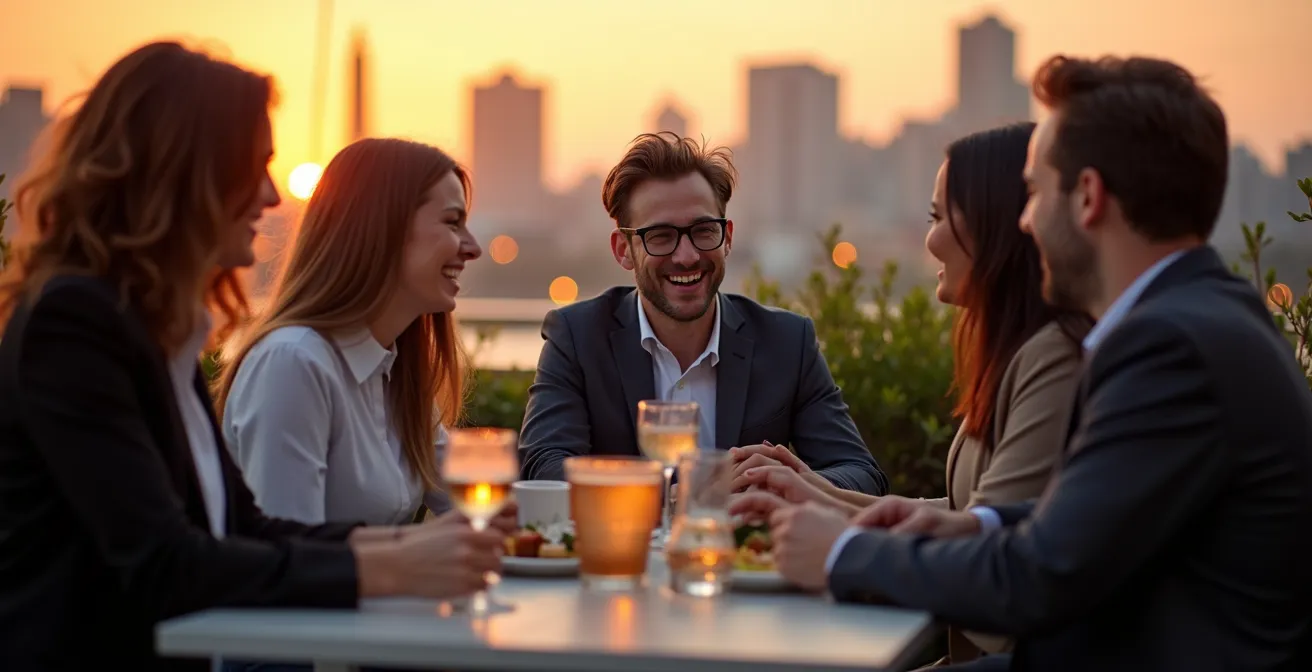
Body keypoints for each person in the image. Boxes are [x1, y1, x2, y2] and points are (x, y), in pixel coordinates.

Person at [742, 54, 1312, 671]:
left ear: (1088, 197)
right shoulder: (1199, 318)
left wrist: (843, 553)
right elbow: (1080, 529)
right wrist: (972, 524)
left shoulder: (1169, 347)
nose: (1022, 219)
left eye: (1036, 191)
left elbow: (1042, 578)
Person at [0, 42, 509, 672]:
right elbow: (165, 563)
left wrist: (413, 547)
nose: (272, 195)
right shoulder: (75, 324)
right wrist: (392, 562)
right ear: (184, 170)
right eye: (255, 166)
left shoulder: (159, 336)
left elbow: (246, 531)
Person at [733, 122, 1092, 666]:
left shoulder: (1054, 359)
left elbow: (987, 554)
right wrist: (816, 493)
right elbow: (964, 516)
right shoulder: (1020, 352)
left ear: (997, 225)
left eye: (939, 217)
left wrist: (838, 546)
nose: (930, 239)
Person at [517, 132, 886, 495]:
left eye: (703, 230)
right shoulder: (577, 336)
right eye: (661, 236)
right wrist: (685, 495)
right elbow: (543, 468)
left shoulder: (788, 341)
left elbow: (862, 474)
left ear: (727, 237)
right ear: (623, 250)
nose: (687, 255)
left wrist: (794, 482)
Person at [217, 138, 480, 527]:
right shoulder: (293, 364)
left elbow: (475, 507)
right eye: (451, 222)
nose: (473, 248)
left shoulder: (396, 372)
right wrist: (417, 552)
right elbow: (289, 556)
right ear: (383, 228)